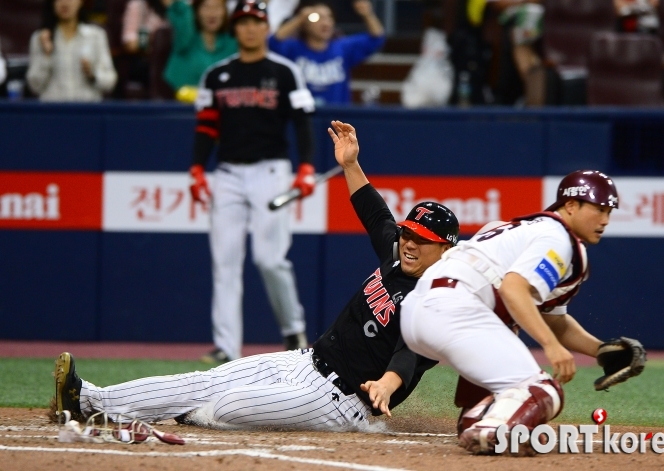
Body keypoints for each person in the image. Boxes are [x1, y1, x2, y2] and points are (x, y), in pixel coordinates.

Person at [52, 120, 460, 430]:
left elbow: (410, 353)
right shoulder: (397, 254)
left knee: (226, 405)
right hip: (306, 362)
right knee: (205, 382)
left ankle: (188, 416)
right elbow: (374, 212)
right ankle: (87, 399)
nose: (409, 242)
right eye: (408, 232)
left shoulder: (436, 299)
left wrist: (388, 383)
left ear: (446, 249)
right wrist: (351, 164)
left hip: (341, 401)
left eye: (422, 239)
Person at [399, 170, 644, 455]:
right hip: (455, 309)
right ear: (571, 206)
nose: (605, 220)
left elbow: (553, 319)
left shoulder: (523, 228)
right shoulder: (559, 238)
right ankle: (492, 430)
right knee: (542, 390)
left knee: (508, 373)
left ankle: (478, 419)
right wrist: (551, 348)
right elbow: (515, 291)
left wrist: (599, 350)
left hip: (418, 310)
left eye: (609, 212)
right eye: (599, 209)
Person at [191, 0, 315, 363]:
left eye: (256, 22)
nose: (249, 28)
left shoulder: (284, 71)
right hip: (227, 173)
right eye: (243, 22)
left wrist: (306, 166)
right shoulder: (216, 74)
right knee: (225, 263)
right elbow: (205, 126)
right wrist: (196, 168)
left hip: (271, 172)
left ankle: (293, 329)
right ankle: (226, 348)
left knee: (269, 258)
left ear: (266, 28)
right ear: (235, 28)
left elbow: (303, 122)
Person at [268, 0, 385, 106]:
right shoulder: (293, 48)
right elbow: (272, 42)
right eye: (318, 18)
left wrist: (367, 14)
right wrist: (299, 18)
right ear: (305, 24)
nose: (325, 23)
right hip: (303, 118)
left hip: (337, 119)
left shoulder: (342, 47)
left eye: (329, 17)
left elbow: (377, 38)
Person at [27, 0, 117, 101]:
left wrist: (92, 75)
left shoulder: (96, 36)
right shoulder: (40, 38)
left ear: (81, 2)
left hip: (86, 110)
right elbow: (34, 86)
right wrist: (46, 56)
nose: (65, 3)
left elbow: (110, 81)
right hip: (52, 111)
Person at [161, 0, 238, 94]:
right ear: (196, 11)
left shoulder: (233, 42)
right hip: (180, 104)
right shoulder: (185, 36)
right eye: (206, 7)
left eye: (217, 7)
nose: (212, 13)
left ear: (225, 11)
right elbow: (179, 10)